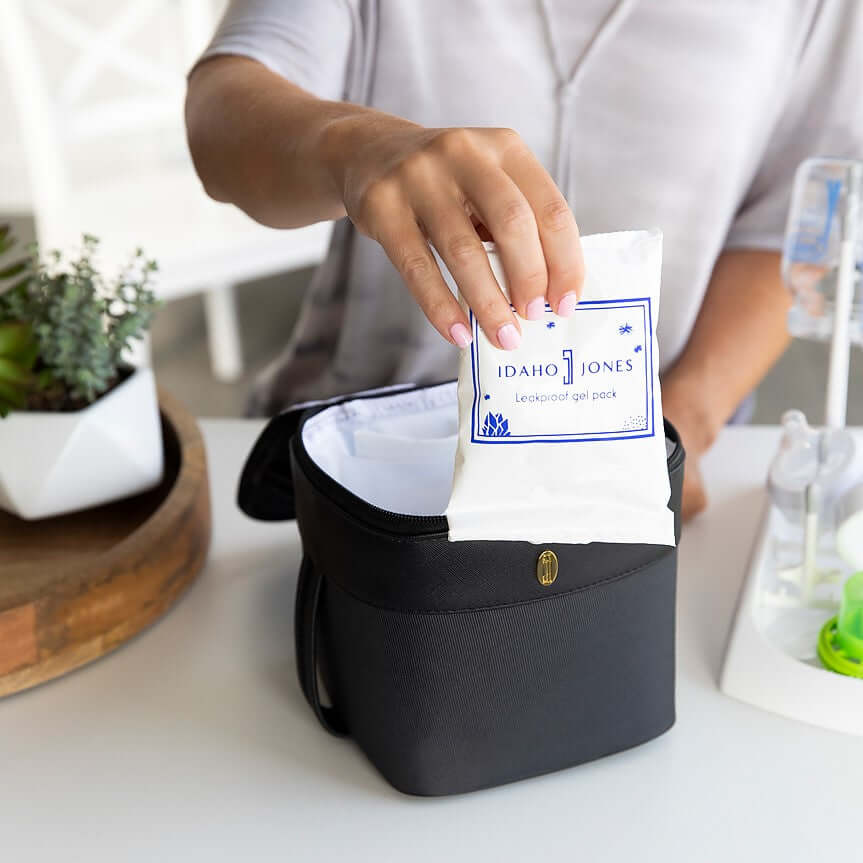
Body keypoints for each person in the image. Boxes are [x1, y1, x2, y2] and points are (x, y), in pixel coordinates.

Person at [185, 0, 862, 520]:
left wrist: (683, 421)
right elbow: (222, 108)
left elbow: (799, 217)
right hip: (362, 465)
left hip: (640, 470)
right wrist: (352, 149)